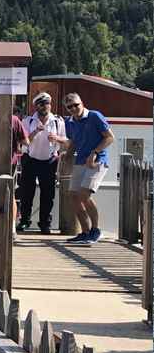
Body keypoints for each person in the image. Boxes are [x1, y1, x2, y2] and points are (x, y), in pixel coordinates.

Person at [55, 93, 115, 244]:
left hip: (97, 162)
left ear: (82, 102)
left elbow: (109, 137)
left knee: (84, 194)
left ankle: (96, 231)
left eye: (76, 105)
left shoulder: (95, 116)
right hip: (80, 161)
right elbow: (74, 141)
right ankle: (85, 232)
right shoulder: (69, 122)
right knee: (73, 196)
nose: (74, 108)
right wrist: (66, 157)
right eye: (70, 107)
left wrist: (95, 152)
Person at [16, 92, 65, 234]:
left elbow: (65, 141)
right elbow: (23, 142)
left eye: (48, 103)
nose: (45, 106)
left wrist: (56, 138)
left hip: (49, 160)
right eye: (42, 104)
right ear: (36, 106)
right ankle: (24, 221)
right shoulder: (27, 121)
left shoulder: (58, 121)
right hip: (30, 159)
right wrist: (36, 131)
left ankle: (45, 223)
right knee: (27, 193)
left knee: (48, 195)